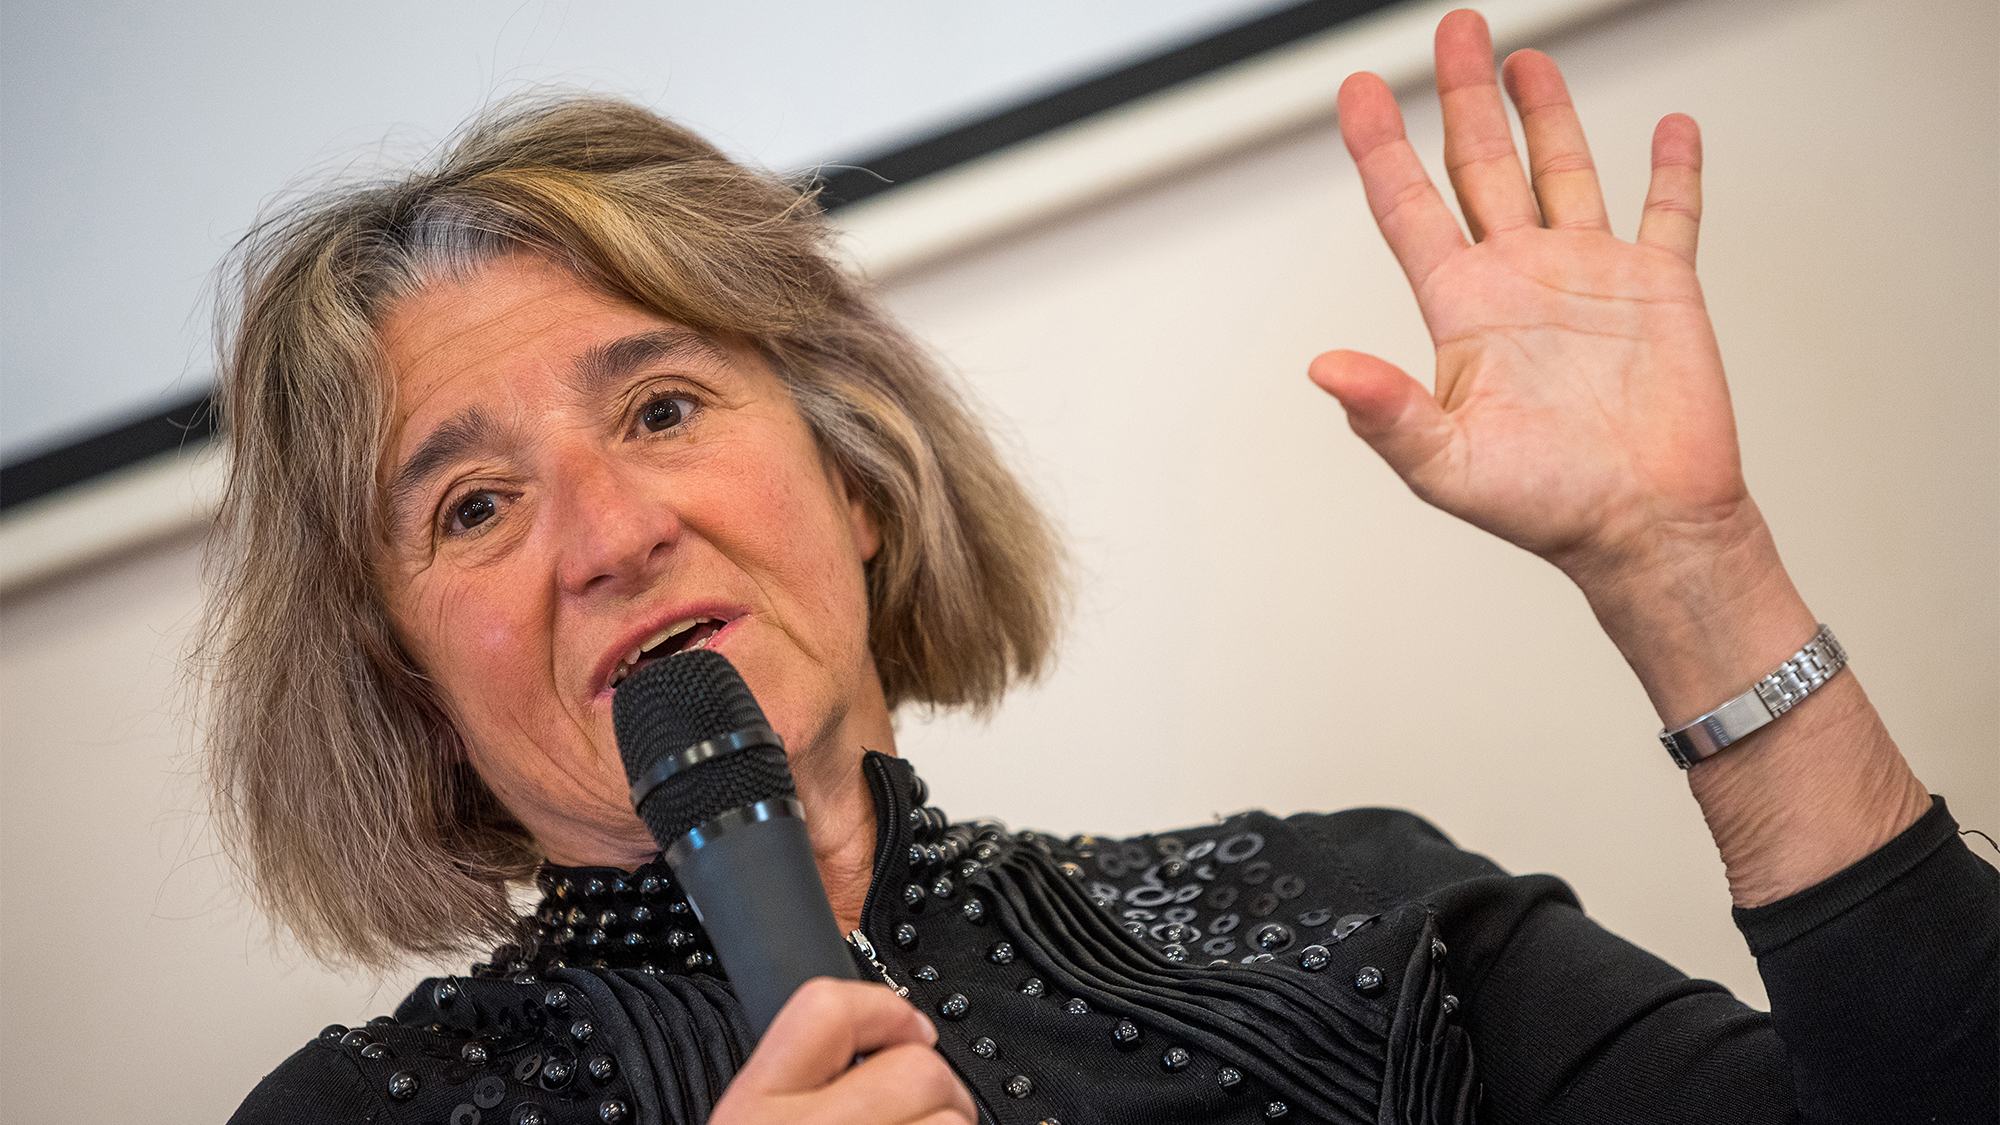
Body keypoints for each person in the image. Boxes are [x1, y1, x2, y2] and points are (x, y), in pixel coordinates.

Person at [208, 10, 1995, 1124]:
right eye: (472, 506)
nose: (610, 533)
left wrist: (1691, 573)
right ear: (406, 678)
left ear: (860, 481)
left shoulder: (1354, 917)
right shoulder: (362, 1116)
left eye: (662, 407)